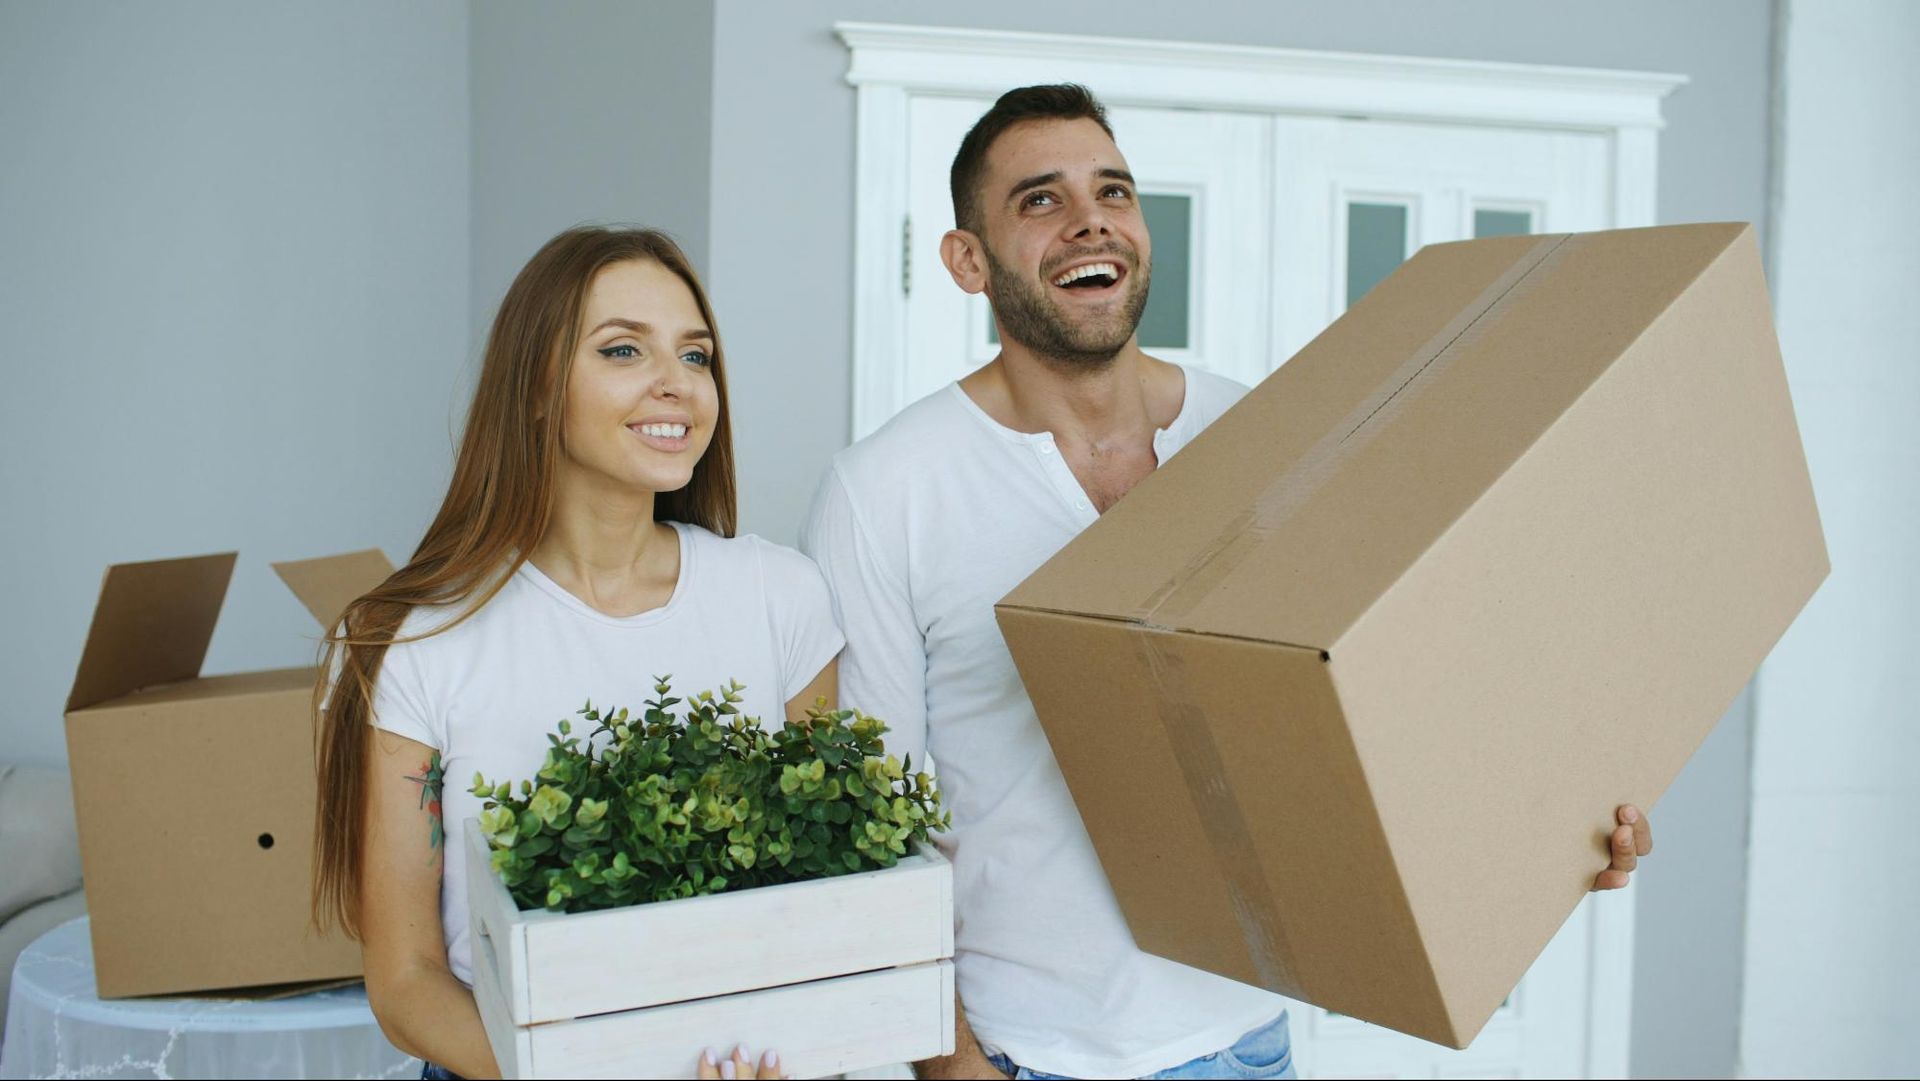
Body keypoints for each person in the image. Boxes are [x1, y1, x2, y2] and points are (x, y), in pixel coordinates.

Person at [800, 84, 1656, 1081]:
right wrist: (952, 1066)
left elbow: (1373, 705)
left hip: (1250, 1041)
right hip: (1030, 1051)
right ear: (967, 259)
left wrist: (1543, 829)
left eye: (1113, 191)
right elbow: (866, 830)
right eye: (1040, 199)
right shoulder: (885, 491)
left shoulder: (1259, 436)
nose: (1091, 220)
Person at [313, 227, 822, 1081]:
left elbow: (819, 907)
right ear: (539, 387)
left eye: (695, 357)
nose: (676, 384)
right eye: (624, 349)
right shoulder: (415, 639)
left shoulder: (784, 598)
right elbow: (406, 982)